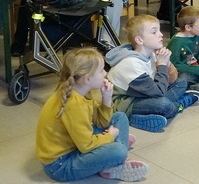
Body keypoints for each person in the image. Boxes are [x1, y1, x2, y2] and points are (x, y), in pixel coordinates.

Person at [36, 48, 148, 182]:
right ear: (87, 78)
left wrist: (106, 98)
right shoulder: (74, 104)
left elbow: (101, 123)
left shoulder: (81, 90)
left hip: (76, 144)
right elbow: (86, 145)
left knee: (120, 117)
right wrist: (110, 136)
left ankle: (110, 153)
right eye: (101, 70)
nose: (105, 73)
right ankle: (113, 163)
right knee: (119, 151)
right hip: (61, 165)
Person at [105, 15, 199, 133]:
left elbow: (173, 79)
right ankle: (179, 104)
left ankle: (148, 115)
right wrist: (161, 64)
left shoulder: (150, 52)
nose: (161, 34)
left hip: (144, 93)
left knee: (181, 82)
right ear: (139, 40)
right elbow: (159, 92)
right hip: (125, 102)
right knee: (163, 104)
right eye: (154, 32)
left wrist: (167, 62)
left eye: (159, 30)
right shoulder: (131, 64)